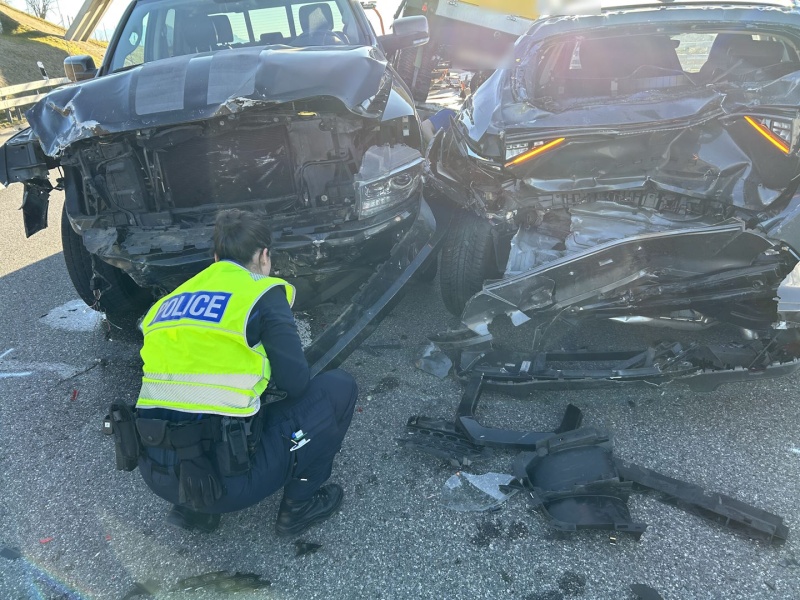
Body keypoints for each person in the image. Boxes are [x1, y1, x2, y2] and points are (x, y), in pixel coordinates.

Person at [133, 208, 358, 536]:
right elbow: (295, 384)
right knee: (338, 389)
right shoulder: (260, 294)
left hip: (157, 474)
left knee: (192, 409)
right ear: (264, 256)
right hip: (230, 484)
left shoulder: (169, 303)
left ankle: (193, 511)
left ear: (215, 257)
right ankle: (298, 509)